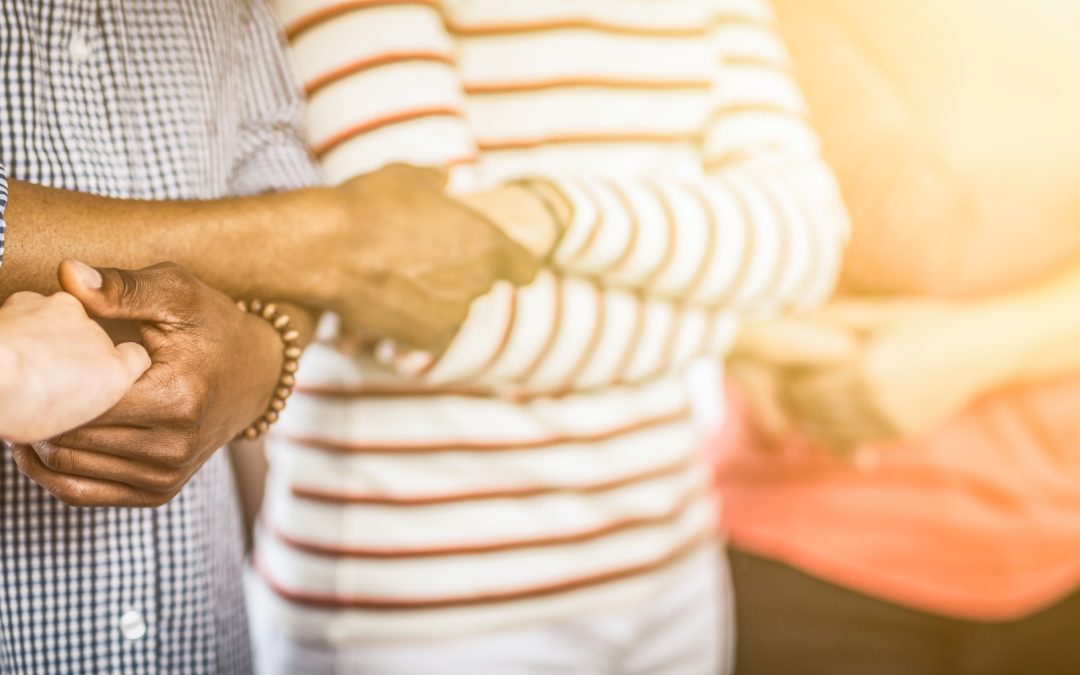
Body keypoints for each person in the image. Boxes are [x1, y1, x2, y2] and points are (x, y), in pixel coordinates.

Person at [247, 0, 849, 673]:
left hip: (672, 571)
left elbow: (807, 238)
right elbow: (433, 311)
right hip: (428, 598)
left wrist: (555, 213)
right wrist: (736, 330)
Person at [0, 2, 534, 671]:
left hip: (200, 627)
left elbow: (281, 186)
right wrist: (333, 237)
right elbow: (388, 274)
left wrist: (260, 361)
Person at [715, 1, 1080, 673]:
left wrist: (980, 349)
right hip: (824, 544)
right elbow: (919, 243)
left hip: (1061, 549)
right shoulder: (791, 19)